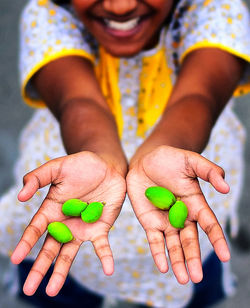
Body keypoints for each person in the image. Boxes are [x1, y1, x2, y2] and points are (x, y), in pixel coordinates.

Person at [0, 0, 249, 307]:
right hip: (73, 206)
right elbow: (78, 101)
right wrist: (100, 156)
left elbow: (198, 96)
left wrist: (163, 149)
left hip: (185, 209)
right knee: (59, 286)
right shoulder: (48, 17)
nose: (121, 6)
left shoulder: (217, 10)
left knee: (191, 275)